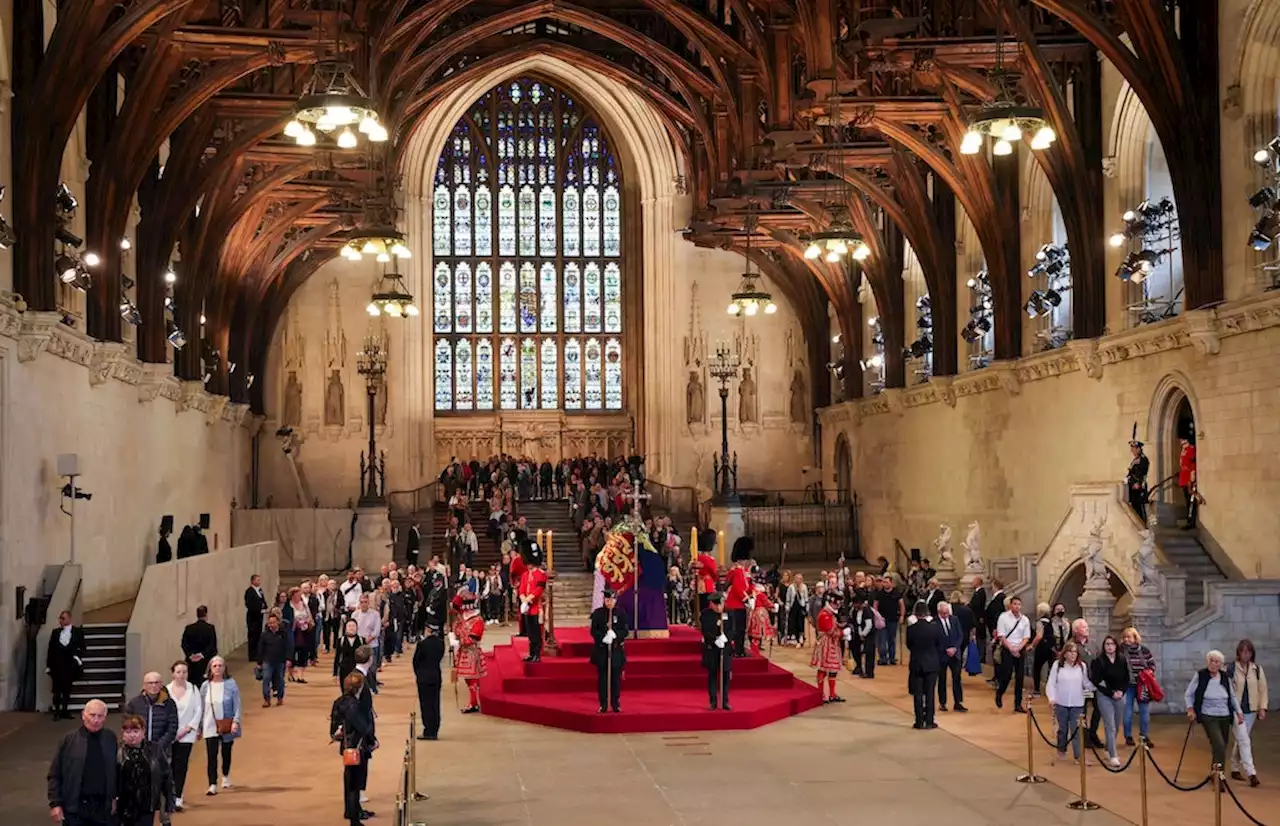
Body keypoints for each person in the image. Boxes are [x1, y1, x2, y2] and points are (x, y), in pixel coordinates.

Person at [47, 699, 117, 826]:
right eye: (92, 715)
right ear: (83, 715)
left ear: (105, 718)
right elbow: (55, 774)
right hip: (75, 808)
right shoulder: (68, 740)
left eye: (100, 716)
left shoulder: (111, 738)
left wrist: (114, 798)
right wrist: (55, 803)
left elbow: (115, 771)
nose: (96, 720)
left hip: (102, 809)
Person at [1185, 649, 1243, 771]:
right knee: (1219, 744)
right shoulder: (1201, 675)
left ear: (1221, 664)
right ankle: (1219, 776)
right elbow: (1189, 694)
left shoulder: (1225, 677)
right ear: (1208, 662)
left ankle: (1215, 772)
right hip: (1208, 715)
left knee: (1222, 746)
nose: (1213, 664)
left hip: (1225, 715)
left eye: (1217, 662)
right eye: (1211, 661)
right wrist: (1190, 709)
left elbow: (1232, 696)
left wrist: (1239, 712)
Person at [331, 673, 375, 826]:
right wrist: (372, 741)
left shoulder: (338, 702)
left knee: (349, 781)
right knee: (355, 785)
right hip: (358, 748)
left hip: (346, 748)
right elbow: (363, 727)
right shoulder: (357, 706)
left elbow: (333, 731)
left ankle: (351, 812)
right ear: (359, 688)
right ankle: (354, 820)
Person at [115, 713, 174, 826]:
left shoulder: (155, 750)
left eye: (136, 731)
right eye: (128, 732)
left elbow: (167, 778)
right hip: (124, 807)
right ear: (122, 734)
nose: (132, 735)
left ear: (143, 732)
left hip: (147, 806)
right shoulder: (117, 752)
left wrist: (168, 803)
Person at [199, 656, 242, 796]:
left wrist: (236, 721)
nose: (218, 668)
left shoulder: (231, 684)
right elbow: (200, 706)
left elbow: (237, 704)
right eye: (215, 666)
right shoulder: (205, 686)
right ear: (210, 669)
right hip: (209, 724)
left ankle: (225, 775)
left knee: (226, 751)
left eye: (220, 665)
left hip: (226, 723)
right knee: (211, 755)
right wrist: (199, 727)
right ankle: (212, 784)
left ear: (224, 668)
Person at [1047, 642, 1095, 765]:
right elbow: (1051, 683)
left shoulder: (1082, 666)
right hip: (1061, 702)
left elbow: (1086, 683)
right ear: (1065, 654)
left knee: (1077, 730)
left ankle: (1078, 756)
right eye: (1070, 652)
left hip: (1077, 703)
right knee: (1062, 729)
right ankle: (1061, 749)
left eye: (1075, 652)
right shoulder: (1057, 665)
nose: (1072, 655)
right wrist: (1052, 698)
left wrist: (1097, 686)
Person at [1228, 639, 1266, 786]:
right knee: (1244, 739)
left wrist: (1262, 707)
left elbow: (1262, 689)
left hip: (1251, 709)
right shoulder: (1231, 668)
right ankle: (1251, 773)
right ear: (1239, 652)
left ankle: (1234, 767)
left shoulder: (1256, 669)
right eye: (1243, 651)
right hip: (1237, 710)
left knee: (1242, 739)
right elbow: (1228, 689)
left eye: (1249, 652)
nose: (1246, 654)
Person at [166, 662, 202, 811]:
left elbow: (198, 710)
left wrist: (188, 728)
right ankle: (168, 796)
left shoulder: (193, 689)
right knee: (168, 766)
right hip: (168, 734)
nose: (181, 675)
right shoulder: (166, 691)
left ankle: (178, 797)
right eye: (178, 672)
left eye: (184, 672)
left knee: (181, 766)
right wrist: (171, 731)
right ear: (173, 673)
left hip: (187, 734)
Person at [1090, 635, 1129, 768]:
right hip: (1105, 696)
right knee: (1110, 725)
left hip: (1120, 695)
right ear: (1104, 646)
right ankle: (1113, 755)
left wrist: (1121, 692)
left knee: (1117, 725)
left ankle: (1108, 747)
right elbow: (1097, 681)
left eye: (1112, 644)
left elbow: (1126, 678)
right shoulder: (1099, 661)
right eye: (1107, 644)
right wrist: (1111, 693)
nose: (1110, 646)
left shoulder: (1122, 659)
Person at [906, 600, 944, 729]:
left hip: (917, 662)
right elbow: (939, 645)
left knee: (918, 694)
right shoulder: (935, 628)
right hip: (932, 663)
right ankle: (929, 720)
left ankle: (918, 721)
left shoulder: (911, 629)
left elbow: (909, 645)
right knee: (930, 693)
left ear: (916, 614)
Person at [591, 588, 629, 713]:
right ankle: (603, 703)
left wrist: (616, 635)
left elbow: (625, 631)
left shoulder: (621, 613)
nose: (610, 602)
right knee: (603, 679)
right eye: (607, 600)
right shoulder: (597, 613)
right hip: (602, 650)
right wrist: (603, 637)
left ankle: (615, 703)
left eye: (612, 600)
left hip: (616, 650)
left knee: (615, 679)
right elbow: (593, 631)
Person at [124, 672, 179, 758]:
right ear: (144, 685)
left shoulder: (169, 704)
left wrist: (159, 746)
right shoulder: (134, 703)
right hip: (138, 749)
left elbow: (172, 727)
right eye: (150, 683)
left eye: (157, 683)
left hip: (162, 751)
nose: (153, 686)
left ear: (161, 685)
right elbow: (128, 725)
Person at [1120, 626, 1157, 747]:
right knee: (1127, 711)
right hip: (1128, 685)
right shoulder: (1120, 651)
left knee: (1144, 711)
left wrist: (1148, 673)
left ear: (1135, 638)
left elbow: (1152, 664)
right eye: (1124, 637)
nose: (1126, 639)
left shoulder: (1144, 650)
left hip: (1143, 685)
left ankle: (1144, 736)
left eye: (1129, 637)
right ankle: (1128, 736)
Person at [450, 591, 487, 713]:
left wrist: (457, 641)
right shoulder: (464, 616)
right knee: (468, 678)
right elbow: (454, 605)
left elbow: (472, 639)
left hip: (472, 651)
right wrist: (460, 594)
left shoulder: (477, 620)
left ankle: (474, 702)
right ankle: (473, 702)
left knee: (472, 678)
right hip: (463, 651)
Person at [993, 595, 1031, 712]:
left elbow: (1026, 636)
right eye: (1015, 604)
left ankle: (1017, 704)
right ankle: (1000, 693)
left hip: (1020, 649)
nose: (1017, 606)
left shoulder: (1024, 619)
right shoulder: (1003, 617)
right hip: (1007, 648)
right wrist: (1011, 648)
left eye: (1019, 604)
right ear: (1010, 605)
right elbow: (1001, 635)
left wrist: (1019, 647)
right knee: (1007, 675)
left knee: (1020, 677)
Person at [46, 610, 85, 720]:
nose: (61, 620)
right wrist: (49, 665)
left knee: (67, 689)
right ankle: (57, 711)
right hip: (57, 664)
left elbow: (82, 647)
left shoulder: (77, 632)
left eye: (63, 618)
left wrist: (76, 658)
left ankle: (65, 710)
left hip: (69, 664)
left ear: (69, 619)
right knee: (57, 690)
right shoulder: (56, 632)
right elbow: (51, 649)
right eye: (60, 618)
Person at [811, 590, 845, 704]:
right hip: (826, 643)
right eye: (837, 603)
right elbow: (830, 631)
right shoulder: (825, 614)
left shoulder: (829, 614)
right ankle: (821, 693)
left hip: (832, 644)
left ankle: (832, 693)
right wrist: (843, 633)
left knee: (833, 669)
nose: (838, 606)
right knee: (823, 669)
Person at [700, 592, 733, 710]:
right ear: (711, 604)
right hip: (712, 649)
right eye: (716, 605)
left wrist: (727, 638)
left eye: (721, 604)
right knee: (712, 675)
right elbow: (705, 631)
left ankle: (725, 701)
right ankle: (713, 701)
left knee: (725, 676)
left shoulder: (729, 613)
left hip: (725, 649)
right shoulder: (705, 615)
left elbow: (732, 629)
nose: (719, 607)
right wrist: (715, 640)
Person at [413, 623, 445, 740]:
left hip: (424, 678)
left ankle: (428, 731)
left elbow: (416, 661)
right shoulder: (440, 644)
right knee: (435, 703)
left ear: (428, 630)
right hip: (436, 676)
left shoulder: (422, 644)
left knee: (426, 705)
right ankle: (435, 729)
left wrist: (418, 673)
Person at [724, 537, 754, 658]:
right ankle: (737, 650)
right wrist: (746, 599)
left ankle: (739, 650)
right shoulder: (737, 571)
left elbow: (745, 585)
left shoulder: (740, 570)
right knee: (738, 629)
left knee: (740, 629)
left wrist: (751, 594)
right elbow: (737, 587)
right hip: (736, 604)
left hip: (738, 604)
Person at [1032, 603, 1069, 699]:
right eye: (1058, 609)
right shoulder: (1049, 624)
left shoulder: (1067, 623)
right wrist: (1056, 651)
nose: (1060, 611)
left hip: (1061, 649)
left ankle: (1053, 689)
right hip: (1050, 649)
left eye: (1062, 609)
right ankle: (1038, 689)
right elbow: (1047, 638)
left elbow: (1067, 637)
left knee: (1053, 670)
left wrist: (1063, 650)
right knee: (1041, 668)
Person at [518, 545, 548, 662]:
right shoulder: (525, 574)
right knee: (530, 632)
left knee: (536, 632)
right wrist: (523, 599)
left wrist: (528, 598)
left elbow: (539, 589)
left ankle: (537, 654)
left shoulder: (540, 574)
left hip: (536, 607)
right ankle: (531, 653)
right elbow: (522, 588)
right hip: (527, 608)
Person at [257, 612, 293, 707]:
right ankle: (267, 699)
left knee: (280, 680)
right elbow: (260, 648)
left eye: (273, 622)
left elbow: (289, 646)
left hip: (280, 660)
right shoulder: (264, 635)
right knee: (266, 679)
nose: (271, 625)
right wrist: (259, 662)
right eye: (270, 623)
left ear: (278, 623)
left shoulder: (284, 633)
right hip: (267, 661)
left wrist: (289, 659)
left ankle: (280, 698)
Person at [936, 601, 966, 712]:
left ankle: (958, 702)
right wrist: (945, 649)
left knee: (957, 678)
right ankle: (942, 702)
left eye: (947, 613)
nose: (945, 615)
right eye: (943, 613)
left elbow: (960, 635)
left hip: (955, 654)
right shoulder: (935, 622)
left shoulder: (954, 619)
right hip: (942, 655)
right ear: (939, 612)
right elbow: (936, 639)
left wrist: (955, 648)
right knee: (942, 679)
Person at [179, 606, 218, 688]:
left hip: (191, 662)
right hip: (205, 662)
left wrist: (190, 655)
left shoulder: (189, 628)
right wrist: (202, 655)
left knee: (192, 685)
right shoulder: (210, 628)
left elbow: (184, 644)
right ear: (206, 615)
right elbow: (212, 646)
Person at [875, 577, 904, 665]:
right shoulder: (879, 594)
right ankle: (883, 658)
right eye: (884, 582)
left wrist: (902, 616)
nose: (885, 584)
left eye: (887, 582)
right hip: (882, 620)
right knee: (882, 639)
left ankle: (892, 657)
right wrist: (877, 617)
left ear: (891, 583)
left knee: (892, 639)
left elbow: (901, 605)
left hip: (893, 619)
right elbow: (875, 605)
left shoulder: (896, 593)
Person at [746, 582, 775, 657]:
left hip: (754, 613)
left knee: (755, 632)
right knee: (761, 631)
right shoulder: (761, 595)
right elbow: (767, 603)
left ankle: (754, 649)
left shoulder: (754, 595)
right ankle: (756, 650)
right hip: (760, 613)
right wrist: (773, 606)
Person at [333, 619, 365, 688]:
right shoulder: (340, 641)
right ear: (346, 628)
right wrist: (335, 674)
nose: (351, 628)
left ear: (357, 628)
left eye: (353, 626)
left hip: (357, 671)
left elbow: (365, 658)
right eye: (349, 626)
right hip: (344, 671)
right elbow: (337, 658)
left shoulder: (362, 640)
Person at [243, 574, 268, 661]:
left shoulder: (260, 590)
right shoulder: (249, 591)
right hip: (252, 617)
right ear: (252, 581)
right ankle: (252, 654)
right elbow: (249, 604)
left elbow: (263, 601)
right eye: (257, 580)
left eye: (259, 580)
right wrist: (258, 610)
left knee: (258, 634)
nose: (259, 581)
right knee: (252, 635)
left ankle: (258, 653)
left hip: (259, 617)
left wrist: (265, 607)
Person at [1127, 440, 1150, 523]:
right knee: (1134, 507)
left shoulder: (1143, 459)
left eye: (1134, 449)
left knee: (1140, 508)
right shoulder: (1135, 460)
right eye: (1132, 449)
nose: (1132, 451)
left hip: (1139, 487)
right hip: (1132, 487)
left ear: (1139, 449)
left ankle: (1143, 524)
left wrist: (1137, 482)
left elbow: (1141, 473)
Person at [1178, 433, 1197, 528]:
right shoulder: (1183, 450)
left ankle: (1191, 521)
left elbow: (1192, 463)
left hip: (1189, 477)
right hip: (1184, 477)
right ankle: (1188, 519)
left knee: (1191, 500)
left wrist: (1192, 475)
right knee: (1187, 500)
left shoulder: (1191, 449)